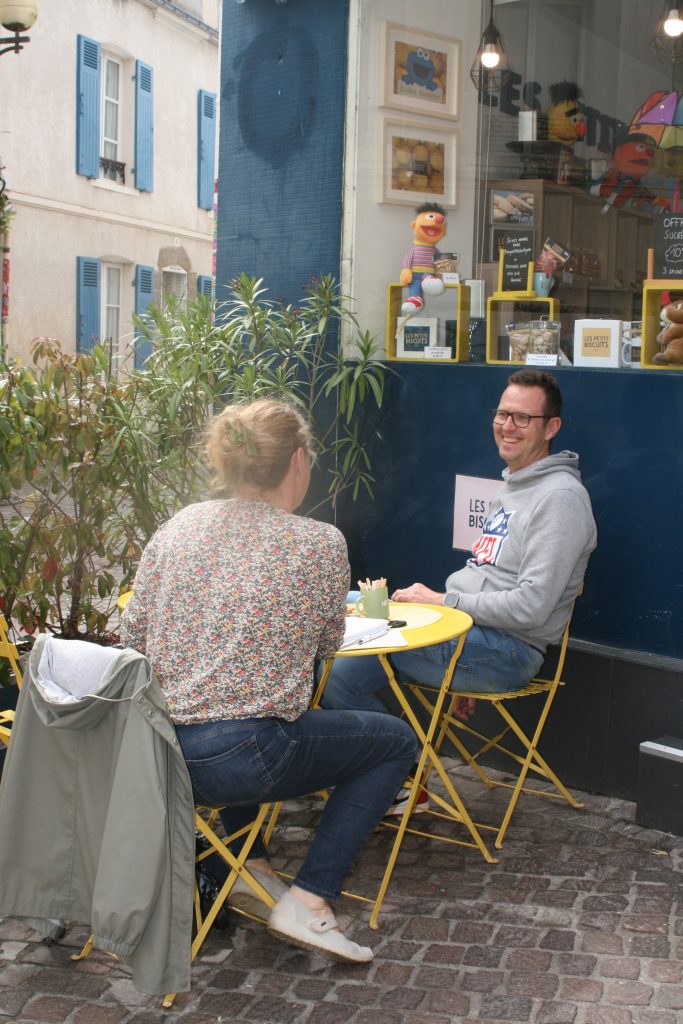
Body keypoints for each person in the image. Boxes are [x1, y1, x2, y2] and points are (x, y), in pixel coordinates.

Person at [120, 398, 417, 964]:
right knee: (393, 742)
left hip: (152, 751)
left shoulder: (180, 524)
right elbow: (326, 645)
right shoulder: (318, 542)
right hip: (238, 757)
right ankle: (309, 899)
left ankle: (248, 867)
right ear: (298, 460)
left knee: (254, 709)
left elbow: (132, 636)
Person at [322, 370, 597, 786]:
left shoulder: (559, 499)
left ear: (551, 427)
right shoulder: (515, 484)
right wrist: (456, 642)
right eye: (503, 414)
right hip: (470, 638)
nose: (508, 426)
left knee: (349, 641)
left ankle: (397, 780)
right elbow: (487, 573)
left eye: (523, 418)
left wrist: (442, 603)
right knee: (340, 661)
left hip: (507, 652)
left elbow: (531, 608)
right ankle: (395, 774)